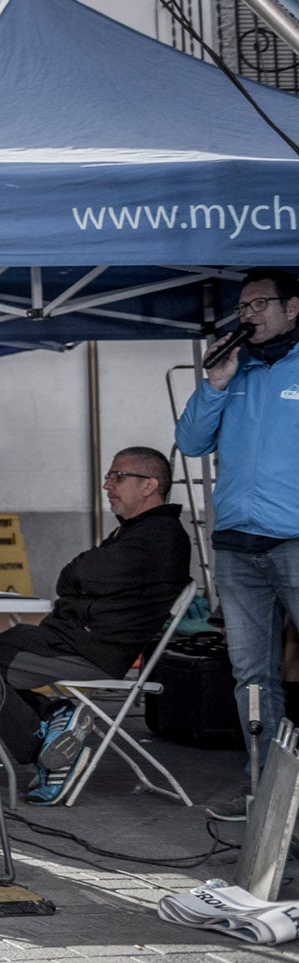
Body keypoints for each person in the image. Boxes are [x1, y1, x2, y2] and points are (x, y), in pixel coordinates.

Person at [0, 447, 193, 805]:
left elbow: (80, 572)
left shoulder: (159, 535)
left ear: (149, 485)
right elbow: (79, 577)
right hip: (70, 639)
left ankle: (50, 749)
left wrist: (81, 573)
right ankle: (54, 721)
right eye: (109, 476)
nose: (108, 484)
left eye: (118, 476)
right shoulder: (135, 531)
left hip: (89, 650)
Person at [175, 267, 299, 818]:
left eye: (258, 305)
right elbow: (190, 441)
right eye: (242, 307)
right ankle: (268, 795)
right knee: (251, 675)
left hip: (295, 539)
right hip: (236, 545)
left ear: (292, 308)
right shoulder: (237, 369)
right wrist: (216, 383)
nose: (247, 315)